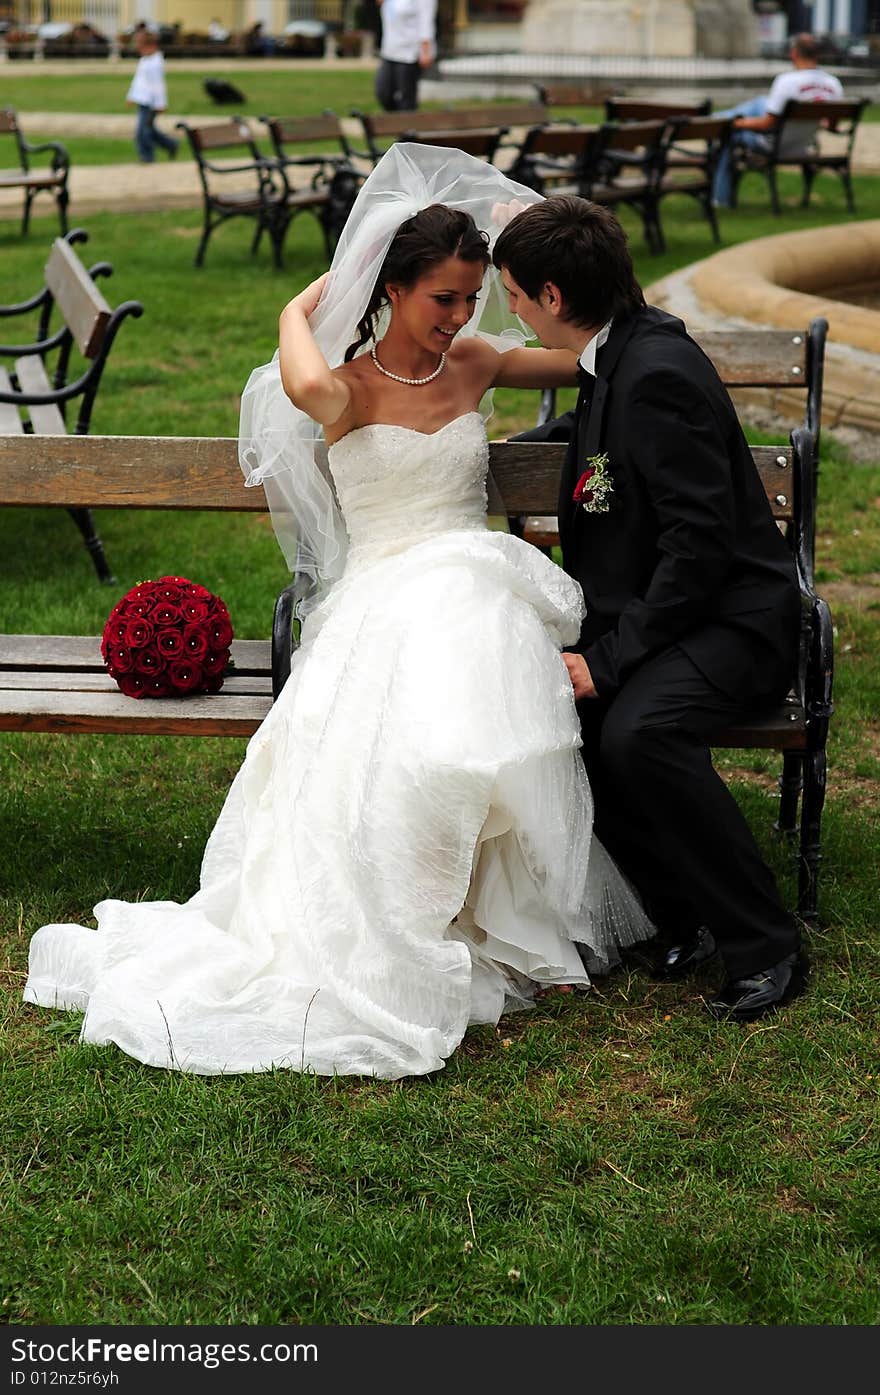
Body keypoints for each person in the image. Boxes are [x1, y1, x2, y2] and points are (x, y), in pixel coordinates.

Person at [22, 145, 654, 1081]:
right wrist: (301, 300)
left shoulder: (478, 361)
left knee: (478, 670)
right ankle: (404, 913)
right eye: (441, 297)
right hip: (382, 590)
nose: (458, 318)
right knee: (415, 714)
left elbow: (586, 349)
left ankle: (511, 918)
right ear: (392, 289)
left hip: (472, 578)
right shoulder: (341, 389)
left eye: (470, 297)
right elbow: (302, 365)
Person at [492, 195, 807, 1024]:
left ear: (553, 297)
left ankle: (765, 941)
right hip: (681, 614)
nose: (513, 310)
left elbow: (700, 549)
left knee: (640, 730)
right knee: (574, 720)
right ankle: (682, 913)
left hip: (738, 620)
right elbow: (595, 435)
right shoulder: (619, 350)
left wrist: (607, 660)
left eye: (516, 294)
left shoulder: (656, 372)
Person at [712, 31, 844, 207]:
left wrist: (736, 124)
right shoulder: (833, 84)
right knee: (762, 103)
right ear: (817, 54)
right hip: (802, 145)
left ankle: (720, 198)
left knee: (730, 134)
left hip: (774, 145)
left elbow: (768, 123)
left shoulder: (787, 81)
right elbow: (833, 125)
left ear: (793, 53)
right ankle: (719, 118)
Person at [125, 27, 178, 164]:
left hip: (151, 103)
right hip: (142, 100)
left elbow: (158, 85)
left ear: (151, 46)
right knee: (149, 129)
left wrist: (161, 104)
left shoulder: (155, 63)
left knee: (143, 132)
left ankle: (147, 156)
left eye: (141, 46)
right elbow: (138, 80)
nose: (139, 49)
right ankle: (171, 144)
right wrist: (131, 96)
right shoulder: (145, 60)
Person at [375, 0, 436, 113]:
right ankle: (396, 122)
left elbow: (426, 21)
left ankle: (407, 126)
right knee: (383, 93)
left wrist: (425, 51)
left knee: (406, 98)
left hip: (409, 53)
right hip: (389, 51)